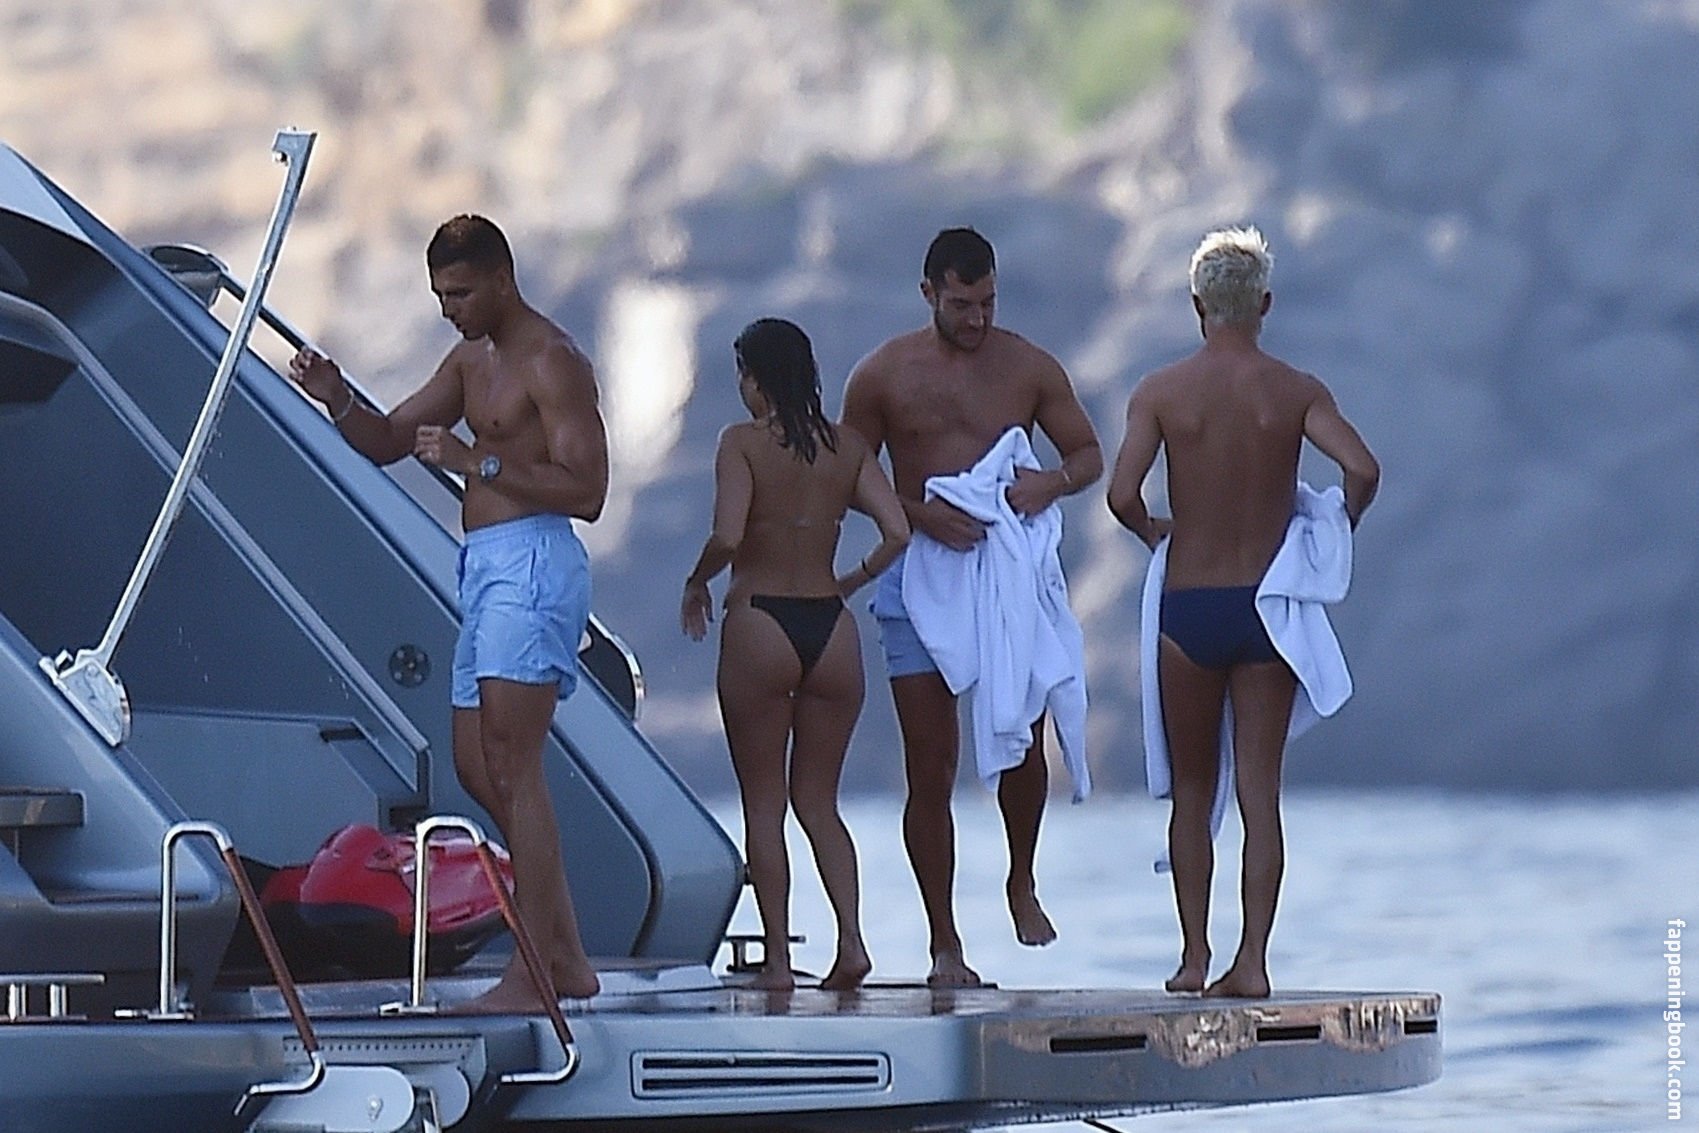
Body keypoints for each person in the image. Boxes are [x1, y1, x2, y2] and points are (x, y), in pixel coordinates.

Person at [289, 214, 607, 1010]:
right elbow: (388, 438)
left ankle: (535, 972)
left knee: (515, 765)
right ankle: (565, 956)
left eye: (460, 293)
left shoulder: (553, 360)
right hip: (485, 567)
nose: (449, 309)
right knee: (475, 764)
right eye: (439, 295)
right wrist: (336, 398)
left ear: (502, 278)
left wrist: (480, 463)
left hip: (535, 561)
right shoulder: (470, 361)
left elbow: (589, 490)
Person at [1107, 226, 1380, 998]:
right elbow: (1361, 467)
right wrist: (1333, 527)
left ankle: (1193, 957)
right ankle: (1252, 961)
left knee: (1193, 791)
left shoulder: (1160, 392)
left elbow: (1121, 494)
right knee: (1259, 795)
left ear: (1196, 305)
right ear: (1264, 304)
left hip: (1188, 605)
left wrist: (1153, 532)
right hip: (1266, 608)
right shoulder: (1294, 391)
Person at [842, 228, 1102, 987]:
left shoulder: (1028, 367)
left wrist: (1048, 484)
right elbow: (848, 474)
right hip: (917, 572)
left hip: (1002, 572)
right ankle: (943, 944)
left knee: (1024, 736)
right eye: (961, 304)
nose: (977, 318)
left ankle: (1020, 878)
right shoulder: (882, 375)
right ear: (928, 293)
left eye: (988, 301)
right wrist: (922, 515)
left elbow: (1086, 454)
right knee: (930, 764)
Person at [682, 317, 909, 992]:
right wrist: (850, 581)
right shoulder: (847, 447)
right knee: (819, 802)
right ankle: (852, 941)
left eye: (742, 375)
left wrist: (696, 581)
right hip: (831, 628)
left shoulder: (741, 443)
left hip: (761, 620)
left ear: (755, 378)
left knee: (764, 803)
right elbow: (897, 531)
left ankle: (778, 961)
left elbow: (728, 534)